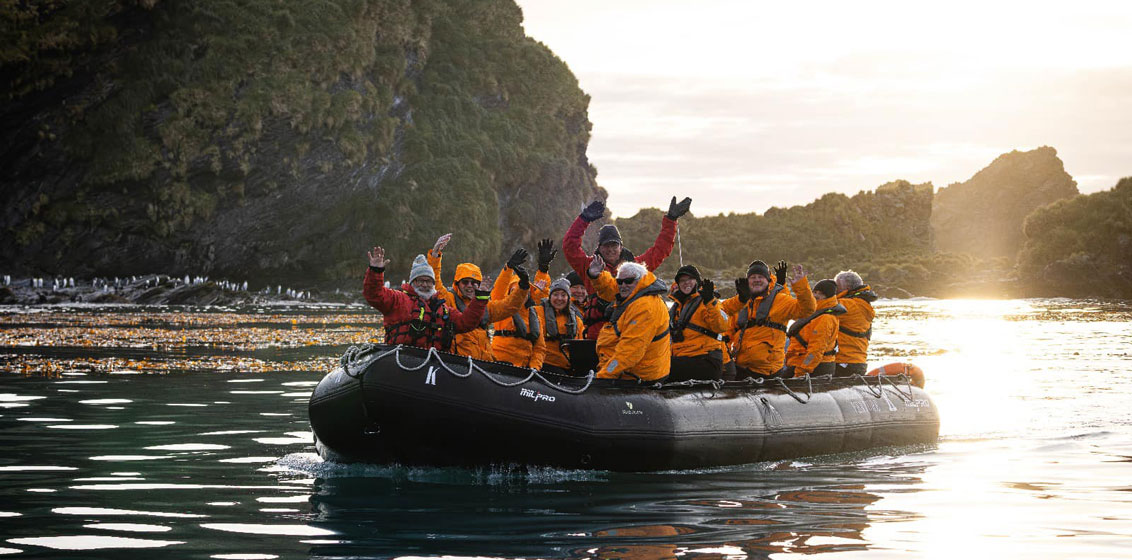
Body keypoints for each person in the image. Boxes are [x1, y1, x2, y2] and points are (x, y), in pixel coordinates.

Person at [563, 196, 691, 339]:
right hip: (598, 336)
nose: (610, 249)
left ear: (621, 247)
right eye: (606, 245)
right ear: (599, 247)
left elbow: (661, 250)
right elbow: (569, 247)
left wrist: (671, 220)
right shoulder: (589, 266)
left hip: (630, 332)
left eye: (614, 245)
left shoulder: (637, 267)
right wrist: (583, 219)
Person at [425, 233, 529, 361]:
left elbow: (510, 307)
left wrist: (523, 286)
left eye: (474, 283)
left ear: (479, 285)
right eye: (465, 282)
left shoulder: (486, 306)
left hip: (484, 363)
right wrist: (435, 255)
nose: (470, 286)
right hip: (458, 363)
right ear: (457, 284)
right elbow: (434, 282)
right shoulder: (448, 299)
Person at [363, 246, 487, 350]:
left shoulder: (444, 309)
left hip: (434, 362)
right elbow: (374, 295)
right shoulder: (398, 299)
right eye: (420, 281)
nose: (424, 285)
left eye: (428, 281)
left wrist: (480, 299)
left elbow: (466, 323)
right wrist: (376, 271)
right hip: (400, 358)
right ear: (412, 282)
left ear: (433, 284)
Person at [721, 260, 816, 379]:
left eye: (760, 277)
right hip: (741, 367)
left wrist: (801, 286)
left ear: (768, 280)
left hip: (767, 371)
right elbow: (727, 334)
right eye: (753, 277)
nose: (756, 280)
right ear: (747, 281)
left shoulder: (780, 300)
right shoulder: (740, 303)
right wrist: (726, 362)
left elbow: (807, 310)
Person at [586, 258, 671, 382]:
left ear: (640, 281)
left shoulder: (645, 307)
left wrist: (603, 376)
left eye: (629, 281)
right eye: (620, 282)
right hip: (623, 370)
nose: (623, 286)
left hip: (640, 376)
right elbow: (610, 287)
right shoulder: (633, 294)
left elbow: (630, 351)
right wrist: (596, 276)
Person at [490, 244, 552, 370]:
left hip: (523, 368)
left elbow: (539, 349)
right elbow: (499, 290)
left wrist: (534, 368)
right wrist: (509, 268)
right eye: (514, 291)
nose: (519, 295)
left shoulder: (534, 316)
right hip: (499, 362)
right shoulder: (501, 308)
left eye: (522, 291)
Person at [668, 265, 729, 382]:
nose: (686, 283)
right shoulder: (677, 308)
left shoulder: (708, 302)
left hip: (706, 361)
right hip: (684, 359)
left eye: (690, 279)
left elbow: (721, 326)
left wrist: (710, 302)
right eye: (682, 280)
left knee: (663, 366)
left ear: (697, 281)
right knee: (657, 362)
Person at [781, 279, 846, 377]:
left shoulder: (825, 318)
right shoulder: (813, 312)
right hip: (800, 363)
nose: (816, 295)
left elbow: (815, 351)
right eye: (815, 292)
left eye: (821, 294)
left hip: (815, 367)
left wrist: (801, 372)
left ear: (829, 297)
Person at [832, 270, 879, 377]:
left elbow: (814, 307)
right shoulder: (862, 304)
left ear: (847, 288)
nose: (834, 290)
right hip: (858, 363)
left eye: (837, 286)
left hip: (842, 363)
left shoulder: (848, 305)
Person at [539, 277, 585, 374]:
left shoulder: (577, 321)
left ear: (568, 298)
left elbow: (580, 348)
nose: (559, 298)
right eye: (555, 294)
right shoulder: (538, 313)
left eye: (563, 295)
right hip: (543, 364)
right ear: (550, 297)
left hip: (567, 366)